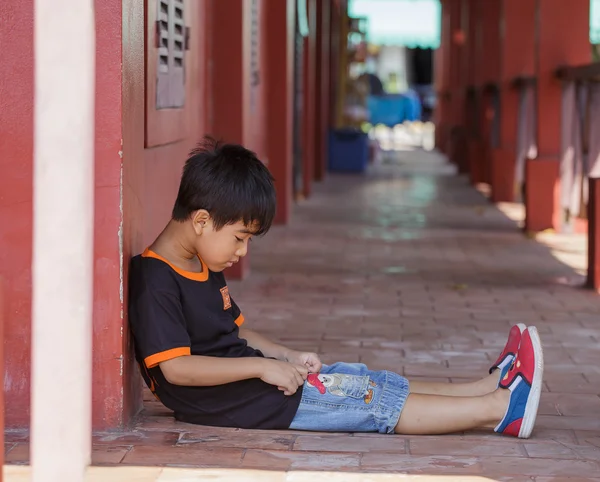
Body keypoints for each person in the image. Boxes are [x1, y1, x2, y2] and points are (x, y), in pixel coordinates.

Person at [128, 138, 544, 438]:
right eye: (240, 237)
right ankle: (499, 410)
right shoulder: (156, 279)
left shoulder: (202, 257)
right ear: (201, 220)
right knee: (370, 405)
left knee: (364, 381)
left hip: (258, 386)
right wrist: (261, 367)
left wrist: (285, 355)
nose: (243, 250)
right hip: (244, 401)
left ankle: (484, 388)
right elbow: (176, 369)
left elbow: (237, 333)